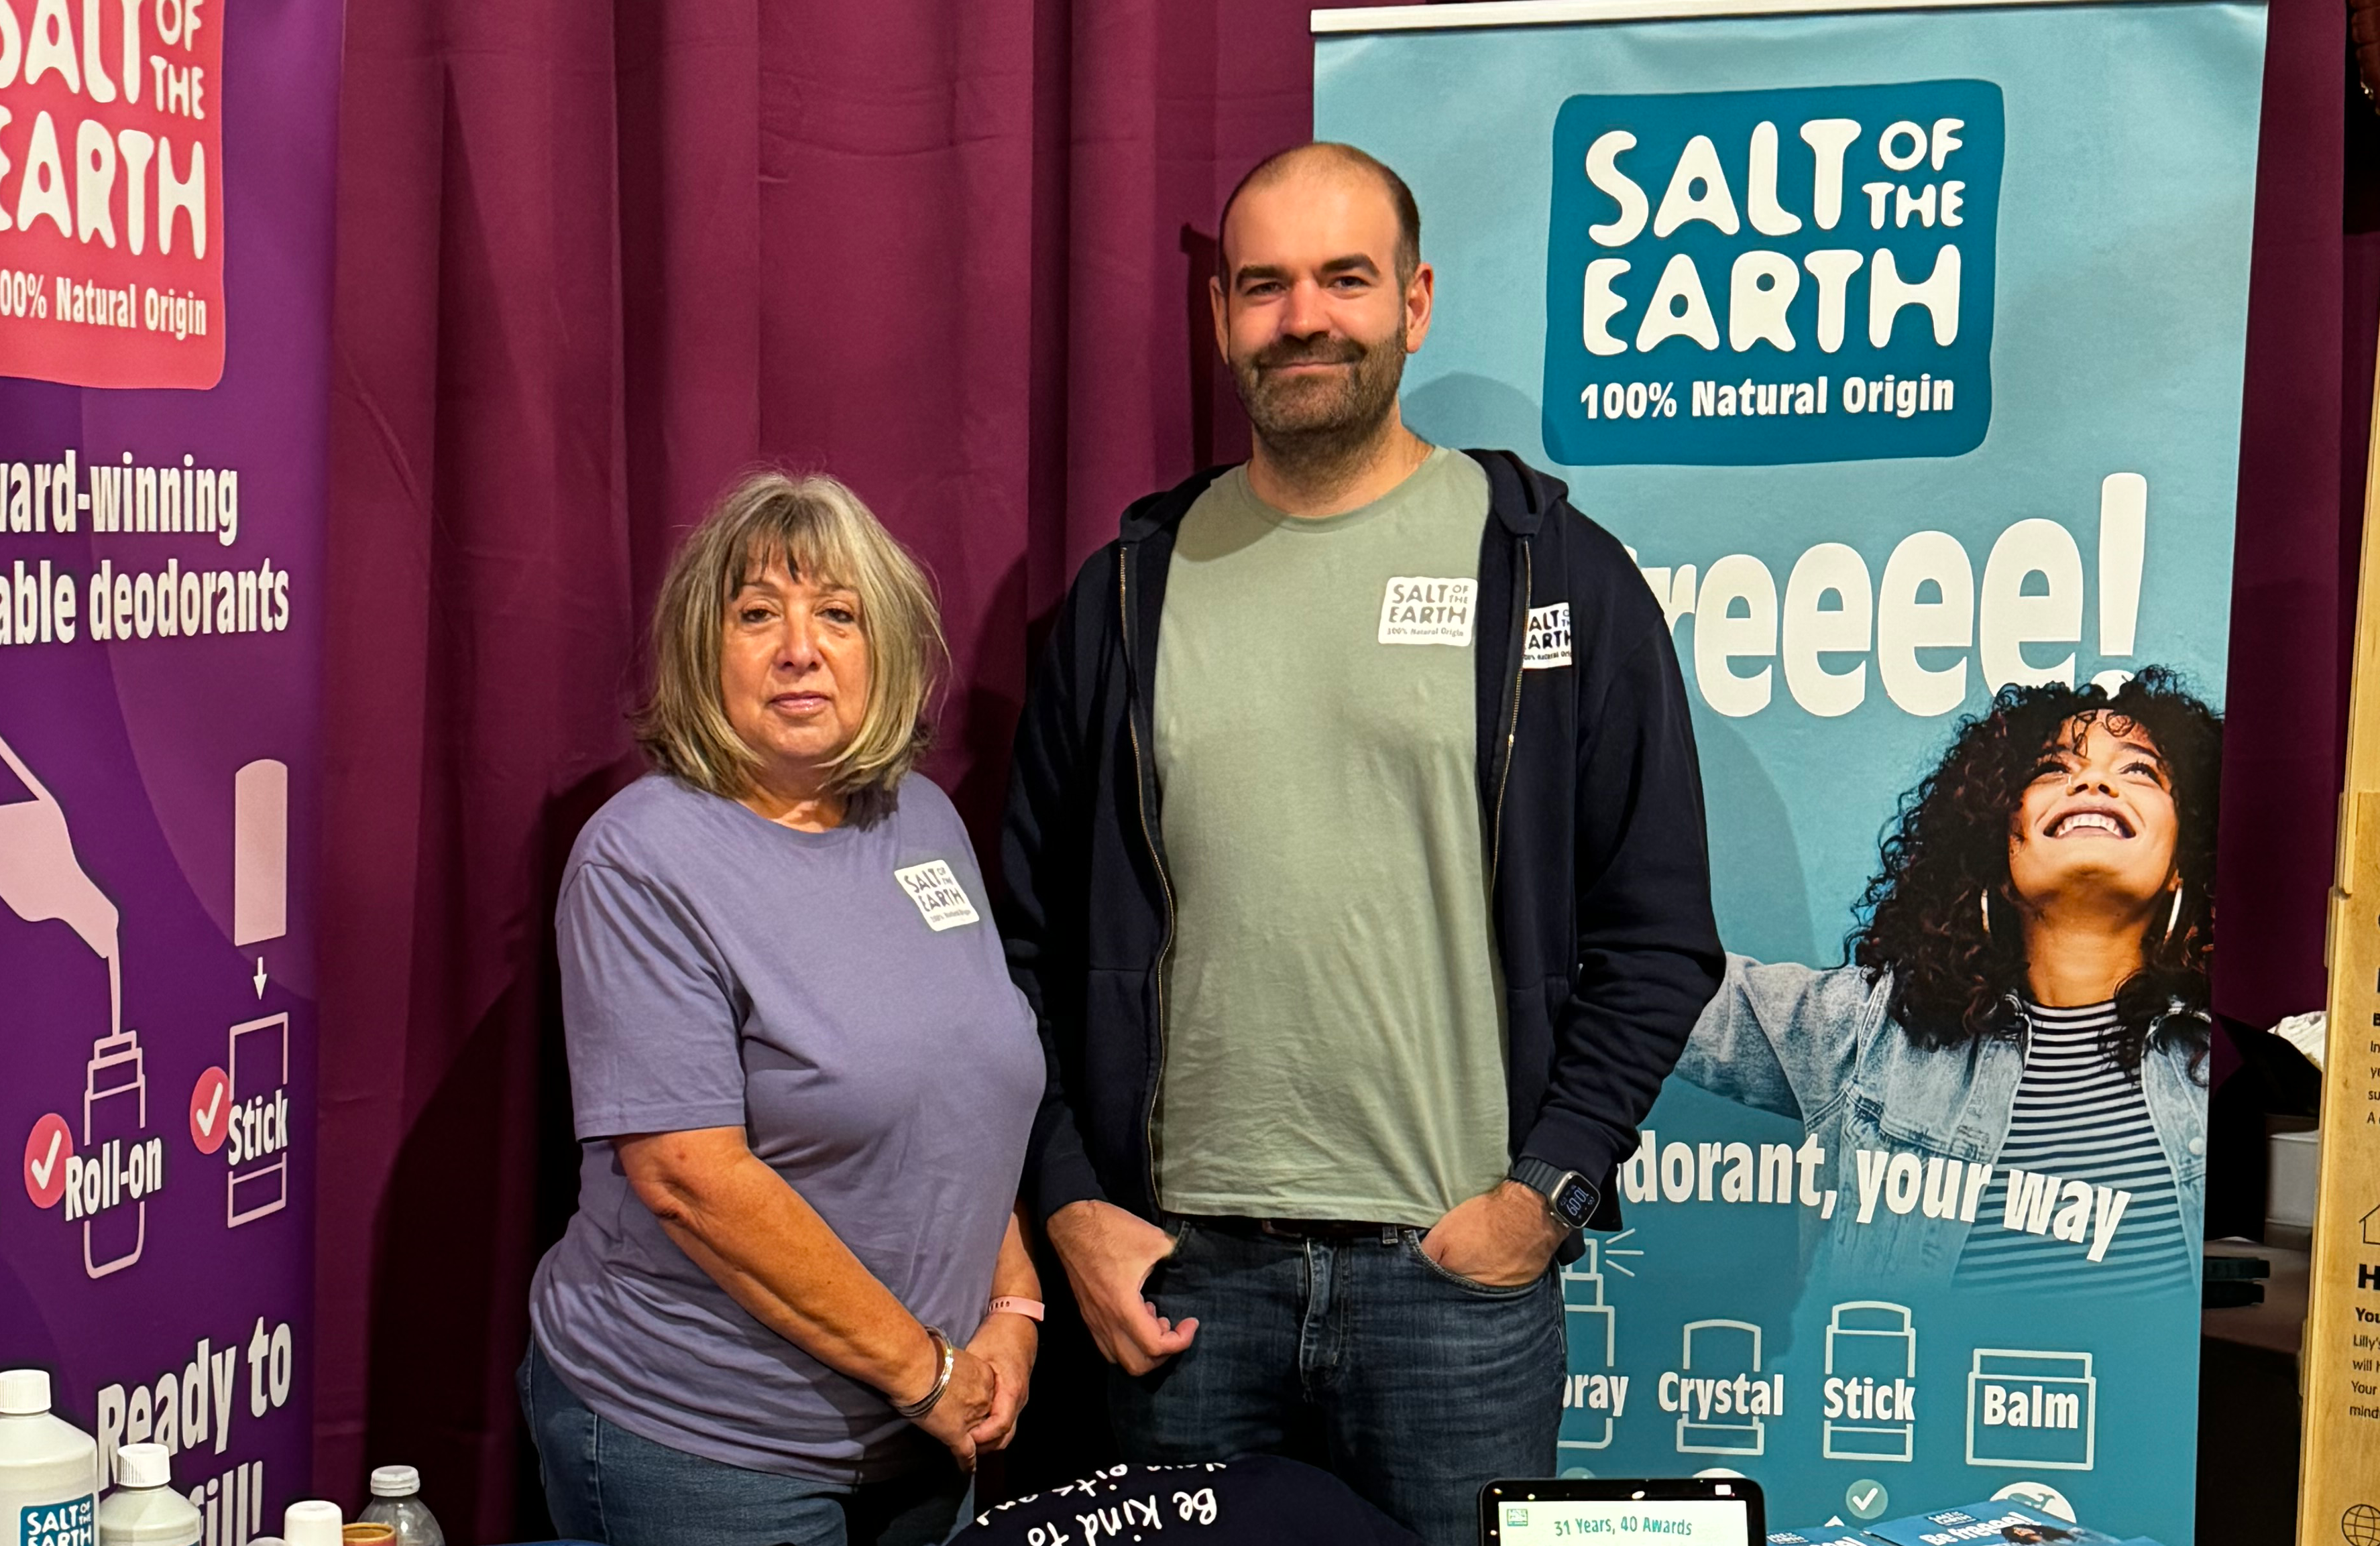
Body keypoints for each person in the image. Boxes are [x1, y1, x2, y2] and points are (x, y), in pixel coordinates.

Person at [997, 141, 1723, 1543]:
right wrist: (1074, 1202)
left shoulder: (1548, 573)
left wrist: (1544, 1194)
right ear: (1220, 317)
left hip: (1450, 1283)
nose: (1304, 316)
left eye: (1344, 277)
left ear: (1417, 299)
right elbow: (1021, 949)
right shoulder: (1126, 598)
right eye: (1262, 286)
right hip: (1179, 1284)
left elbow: (1657, 934)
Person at [520, 471, 1050, 1546]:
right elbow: (689, 1178)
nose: (799, 647)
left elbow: (962, 1091)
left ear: (886, 650)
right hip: (706, 1439)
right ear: (702, 656)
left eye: (838, 615)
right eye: (757, 613)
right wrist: (926, 1369)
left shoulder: (926, 822)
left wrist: (1014, 1308)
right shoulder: (643, 855)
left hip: (927, 1425)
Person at [1675, 670, 2219, 1293]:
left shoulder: (2231, 1064)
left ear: (2183, 864)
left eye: (2139, 771)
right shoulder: (1870, 1034)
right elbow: (1657, 991)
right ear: (2000, 849)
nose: (2092, 781)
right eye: (2052, 769)